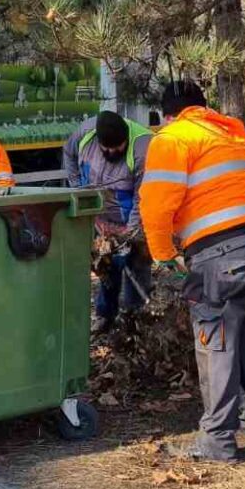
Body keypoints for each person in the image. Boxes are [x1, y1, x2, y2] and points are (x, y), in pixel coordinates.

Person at [140, 80, 245, 463]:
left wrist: (161, 253)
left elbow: (155, 205)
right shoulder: (228, 136)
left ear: (168, 115)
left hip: (223, 257)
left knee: (216, 344)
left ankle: (218, 440)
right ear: (203, 107)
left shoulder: (173, 137)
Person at [64, 110, 153, 332]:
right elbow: (68, 153)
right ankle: (105, 314)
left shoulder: (143, 148)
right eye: (107, 148)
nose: (112, 151)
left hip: (133, 216)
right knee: (106, 266)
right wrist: (79, 194)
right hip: (100, 216)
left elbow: (142, 196)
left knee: (136, 262)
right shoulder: (85, 133)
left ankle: (136, 316)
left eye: (118, 147)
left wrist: (130, 234)